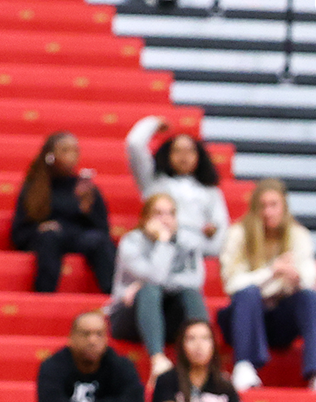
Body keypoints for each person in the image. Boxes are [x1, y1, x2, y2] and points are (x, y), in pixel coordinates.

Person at [219, 178, 316, 392]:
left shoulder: (298, 234)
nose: (268, 212)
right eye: (263, 206)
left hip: (280, 320)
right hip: (242, 318)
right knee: (248, 294)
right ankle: (243, 365)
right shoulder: (238, 233)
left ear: (284, 207)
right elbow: (232, 284)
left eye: (274, 205)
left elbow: (310, 278)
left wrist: (296, 278)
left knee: (309, 297)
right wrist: (272, 273)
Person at [112, 194, 208, 378]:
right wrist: (163, 242)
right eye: (158, 213)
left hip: (167, 317)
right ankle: (158, 360)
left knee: (191, 294)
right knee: (149, 291)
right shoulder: (131, 242)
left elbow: (195, 281)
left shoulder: (186, 242)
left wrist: (142, 284)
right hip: (128, 316)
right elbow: (155, 278)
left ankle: (205, 362)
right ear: (146, 217)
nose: (166, 219)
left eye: (171, 213)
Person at [13, 132, 117, 295]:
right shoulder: (35, 187)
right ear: (50, 156)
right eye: (65, 150)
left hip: (78, 236)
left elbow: (103, 231)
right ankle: (44, 295)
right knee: (50, 237)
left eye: (75, 151)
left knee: (98, 241)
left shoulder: (85, 189)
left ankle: (113, 293)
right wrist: (40, 228)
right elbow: (19, 234)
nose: (71, 156)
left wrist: (87, 209)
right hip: (49, 237)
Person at [125, 116, 229, 254]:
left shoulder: (210, 190)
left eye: (190, 151)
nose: (183, 156)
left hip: (195, 252)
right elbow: (134, 144)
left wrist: (211, 233)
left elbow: (221, 228)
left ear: (199, 156)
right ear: (167, 154)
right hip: (158, 248)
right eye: (177, 151)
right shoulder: (154, 182)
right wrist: (153, 124)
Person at [34, 311, 147, 402]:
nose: (92, 341)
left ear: (106, 338)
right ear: (72, 337)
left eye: (99, 334)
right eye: (85, 334)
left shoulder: (121, 365)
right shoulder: (53, 365)